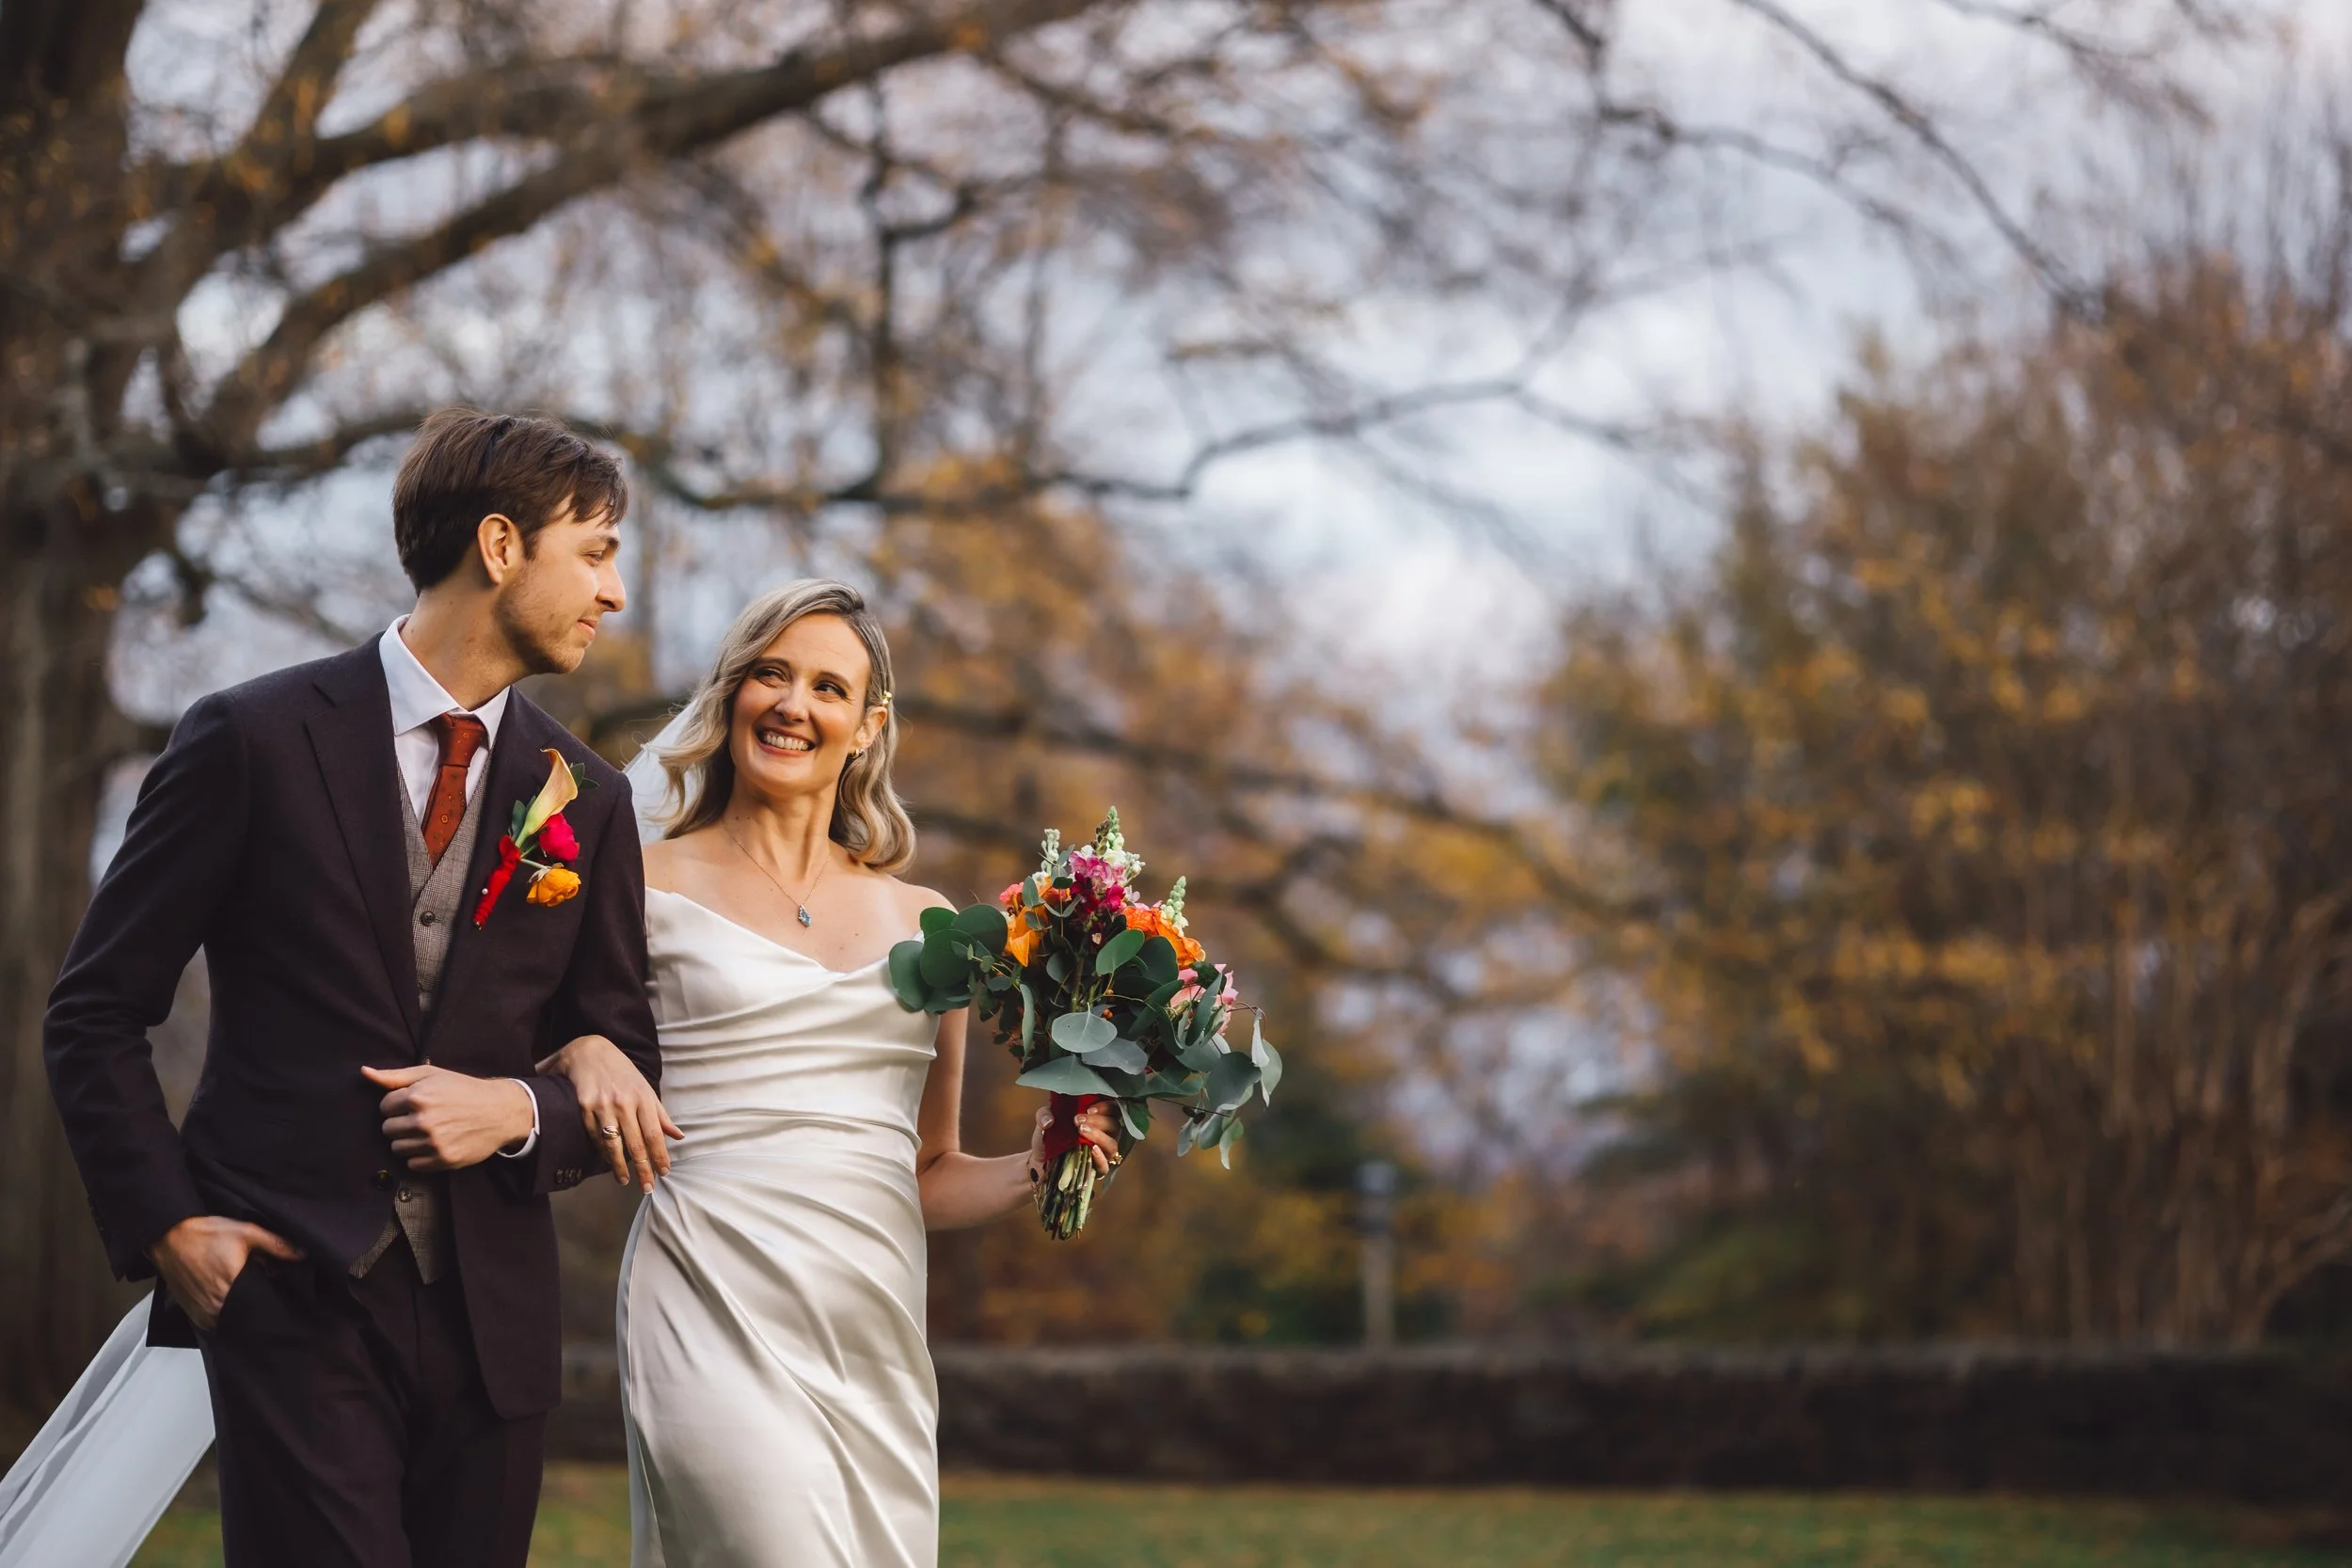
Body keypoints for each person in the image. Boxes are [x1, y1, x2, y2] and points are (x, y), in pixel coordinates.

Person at [38, 408, 665, 1568]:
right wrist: (168, 1221)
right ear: (498, 545)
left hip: (493, 1326)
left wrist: (520, 1110)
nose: (612, 591)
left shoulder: (587, 796)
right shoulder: (251, 738)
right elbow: (94, 1010)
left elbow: (620, 1058)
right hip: (292, 1297)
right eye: (597, 550)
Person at [538, 579, 1119, 1568]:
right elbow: (525, 1042)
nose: (791, 704)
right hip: (708, 1292)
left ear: (866, 724)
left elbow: (925, 1172)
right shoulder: (641, 879)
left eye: (824, 685)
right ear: (730, 694)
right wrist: (582, 1047)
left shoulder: (930, 925)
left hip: (873, 1330)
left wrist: (1039, 1160)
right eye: (769, 673)